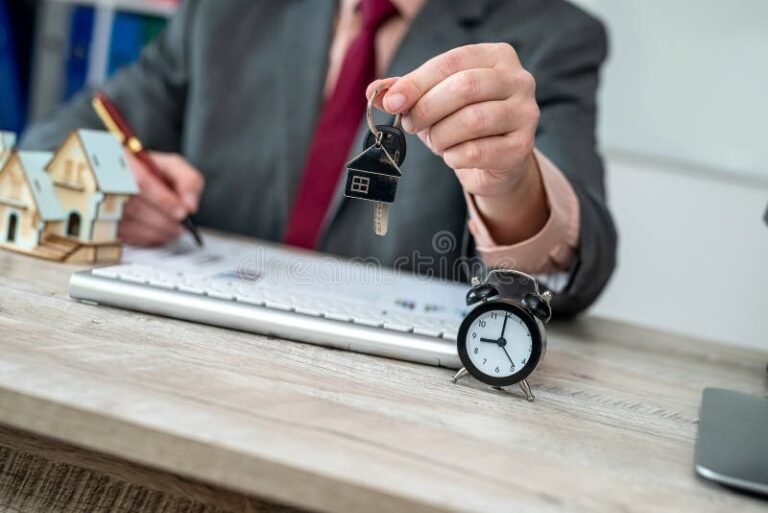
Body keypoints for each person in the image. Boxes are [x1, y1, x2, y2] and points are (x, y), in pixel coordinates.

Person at [21, 0, 617, 315]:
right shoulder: (226, 10)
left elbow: (574, 267)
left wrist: (511, 184)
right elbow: (48, 143)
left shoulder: (552, 33)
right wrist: (105, 187)